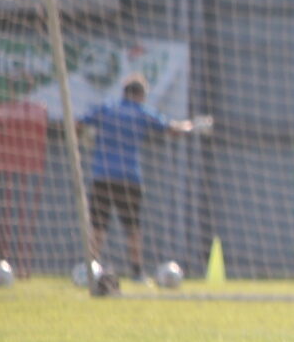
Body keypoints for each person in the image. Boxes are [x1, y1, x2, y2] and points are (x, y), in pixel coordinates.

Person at [78, 75, 210, 281]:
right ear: (140, 95)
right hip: (129, 178)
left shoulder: (107, 109)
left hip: (102, 175)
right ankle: (137, 272)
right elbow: (172, 129)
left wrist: (84, 135)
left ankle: (90, 269)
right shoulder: (141, 112)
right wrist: (193, 125)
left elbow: (78, 123)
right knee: (132, 228)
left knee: (97, 226)